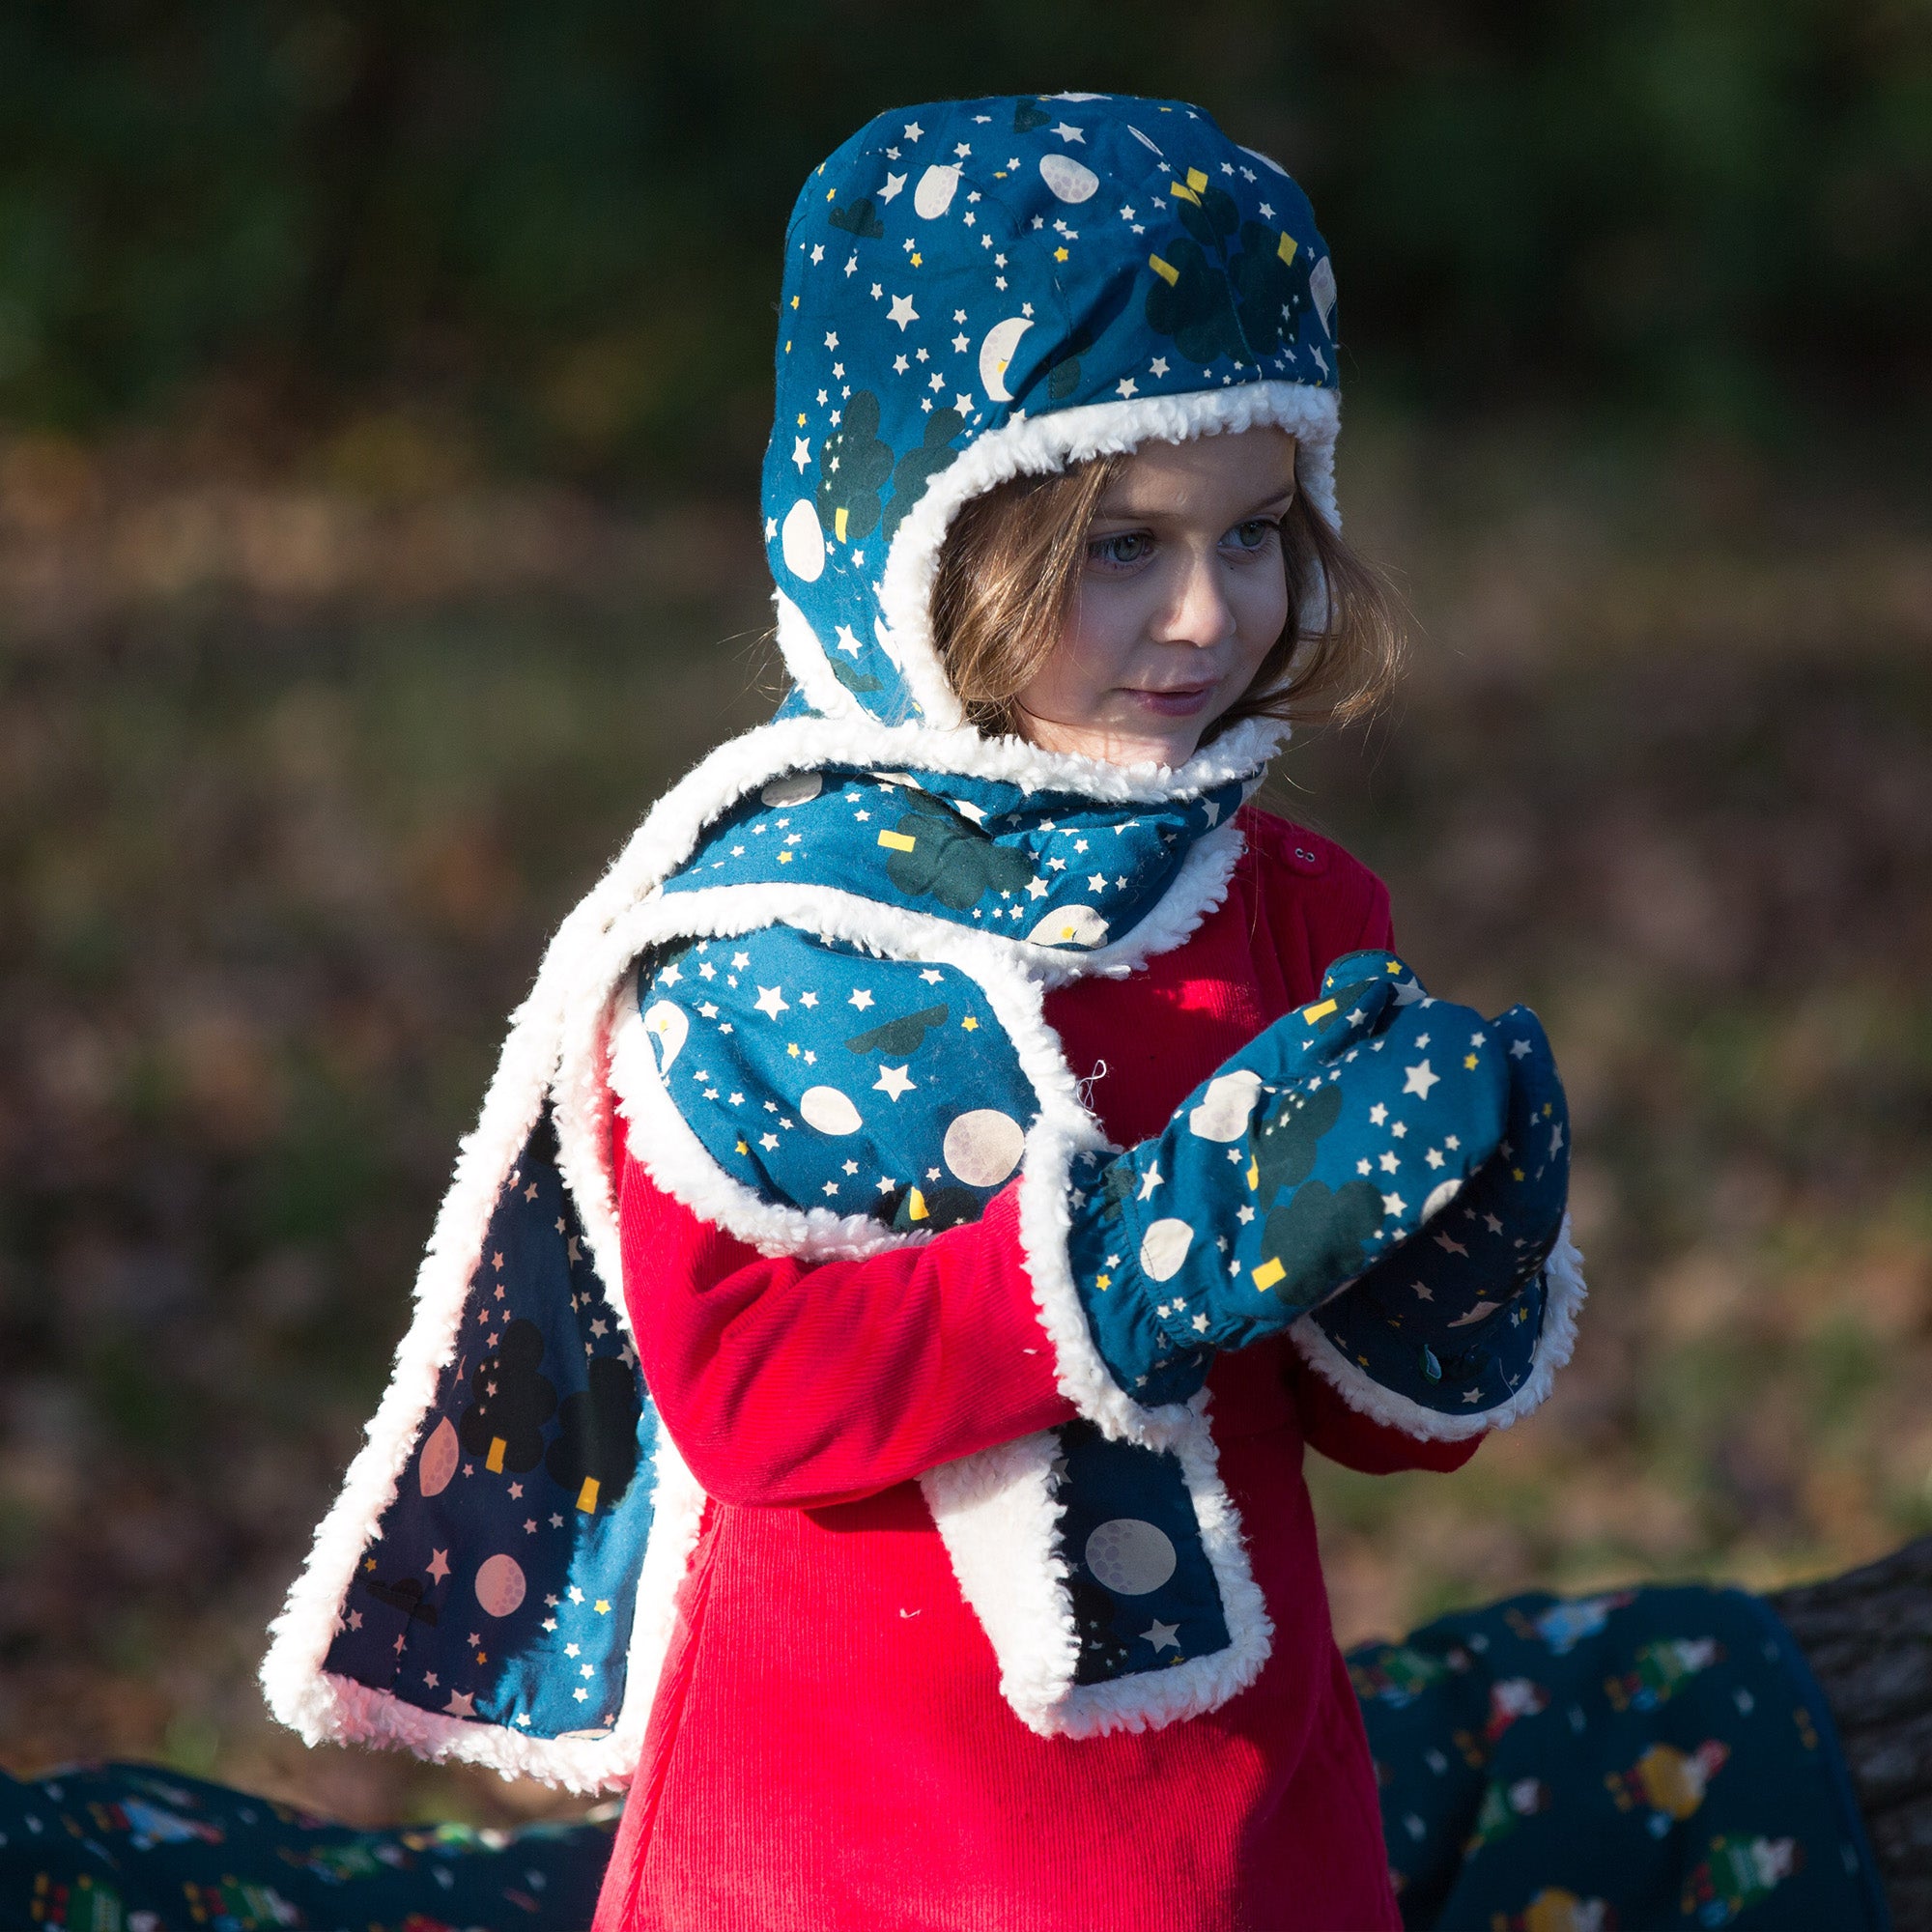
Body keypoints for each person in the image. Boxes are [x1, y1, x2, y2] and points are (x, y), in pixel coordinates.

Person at [249, 95, 1883, 1932]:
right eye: (1119, 546)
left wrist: (1458, 1249)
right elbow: (750, 1396)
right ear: (906, 542)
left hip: (1228, 1820)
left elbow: (1376, 1429)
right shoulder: (771, 941)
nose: (1204, 614)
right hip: (841, 1833)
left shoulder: (1292, 903)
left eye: (1254, 532)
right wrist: (1148, 1262)